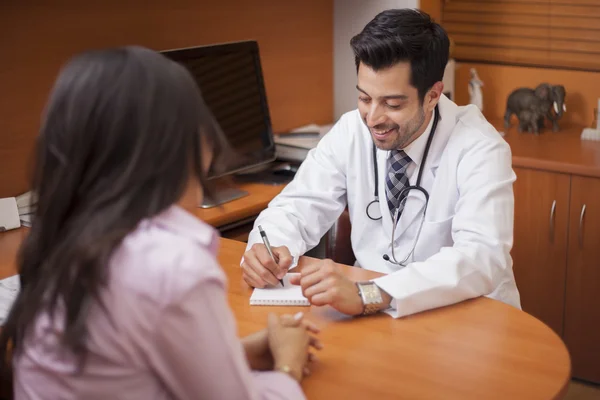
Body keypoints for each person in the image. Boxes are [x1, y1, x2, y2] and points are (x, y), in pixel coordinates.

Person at [0, 46, 322, 399]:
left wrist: (235, 355)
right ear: (192, 142)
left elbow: (118, 371)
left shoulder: (58, 239)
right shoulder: (172, 265)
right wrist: (287, 367)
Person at [241, 9, 521, 319]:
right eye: (364, 98)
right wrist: (268, 250)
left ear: (432, 95)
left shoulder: (480, 148)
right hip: (375, 318)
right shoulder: (351, 131)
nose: (373, 118)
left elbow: (481, 258)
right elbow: (296, 207)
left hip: (466, 320)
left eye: (393, 104)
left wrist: (370, 294)